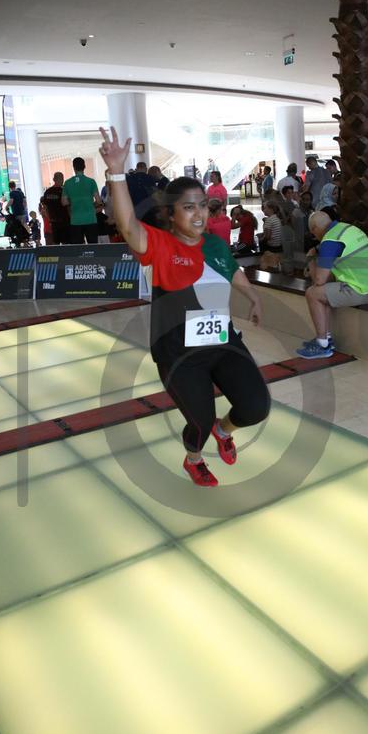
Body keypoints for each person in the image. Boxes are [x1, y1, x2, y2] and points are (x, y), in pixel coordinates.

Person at [98, 125, 270, 487]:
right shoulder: (159, 245)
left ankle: (224, 431)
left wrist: (252, 296)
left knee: (256, 406)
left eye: (203, 206)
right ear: (171, 214)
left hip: (222, 342)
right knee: (200, 420)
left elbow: (231, 270)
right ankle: (194, 460)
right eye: (188, 207)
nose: (199, 214)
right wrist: (116, 172)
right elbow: (127, 225)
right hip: (179, 352)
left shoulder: (215, 244)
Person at [296, 211, 368, 359]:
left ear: (314, 229)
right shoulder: (348, 229)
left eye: (313, 233)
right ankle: (326, 339)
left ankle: (322, 345)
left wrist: (311, 259)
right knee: (323, 293)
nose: (315, 237)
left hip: (364, 289)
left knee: (312, 294)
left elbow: (318, 281)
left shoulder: (330, 241)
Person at [62, 157, 101, 244]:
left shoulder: (67, 183)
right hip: (90, 219)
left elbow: (64, 202)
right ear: (84, 166)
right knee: (93, 247)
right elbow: (98, 201)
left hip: (75, 220)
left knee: (78, 248)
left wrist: (73, 203)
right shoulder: (91, 181)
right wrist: (91, 205)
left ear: (74, 167)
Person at [42, 172, 70, 244]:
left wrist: (49, 219)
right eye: (61, 179)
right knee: (66, 243)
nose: (62, 181)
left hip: (54, 221)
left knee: (56, 243)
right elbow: (68, 206)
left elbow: (45, 208)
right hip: (64, 221)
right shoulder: (64, 191)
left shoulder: (48, 192)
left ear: (53, 179)